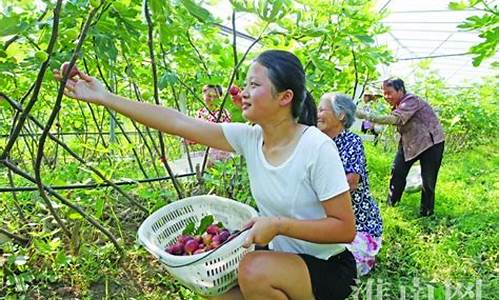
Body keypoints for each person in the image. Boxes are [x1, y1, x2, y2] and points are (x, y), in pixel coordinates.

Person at [55, 50, 357, 300]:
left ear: (284, 97)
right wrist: (106, 97)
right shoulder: (251, 138)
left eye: (254, 85)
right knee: (219, 294)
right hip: (280, 258)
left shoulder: (316, 147)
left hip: (327, 266)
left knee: (252, 270)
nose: (244, 92)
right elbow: (178, 122)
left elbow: (344, 229)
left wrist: (278, 225)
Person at [356, 78, 445, 217]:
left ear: (401, 90)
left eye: (389, 93)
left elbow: (395, 119)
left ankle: (426, 213)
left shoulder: (411, 100)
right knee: (397, 171)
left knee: (428, 179)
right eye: (384, 93)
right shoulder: (398, 104)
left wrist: (367, 116)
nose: (386, 97)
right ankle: (392, 203)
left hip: (431, 143)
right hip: (410, 142)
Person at [318, 92, 383, 276]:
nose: (317, 114)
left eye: (322, 109)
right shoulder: (317, 141)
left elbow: (351, 183)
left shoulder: (351, 142)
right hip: (328, 223)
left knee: (337, 270)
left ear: (341, 115)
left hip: (357, 227)